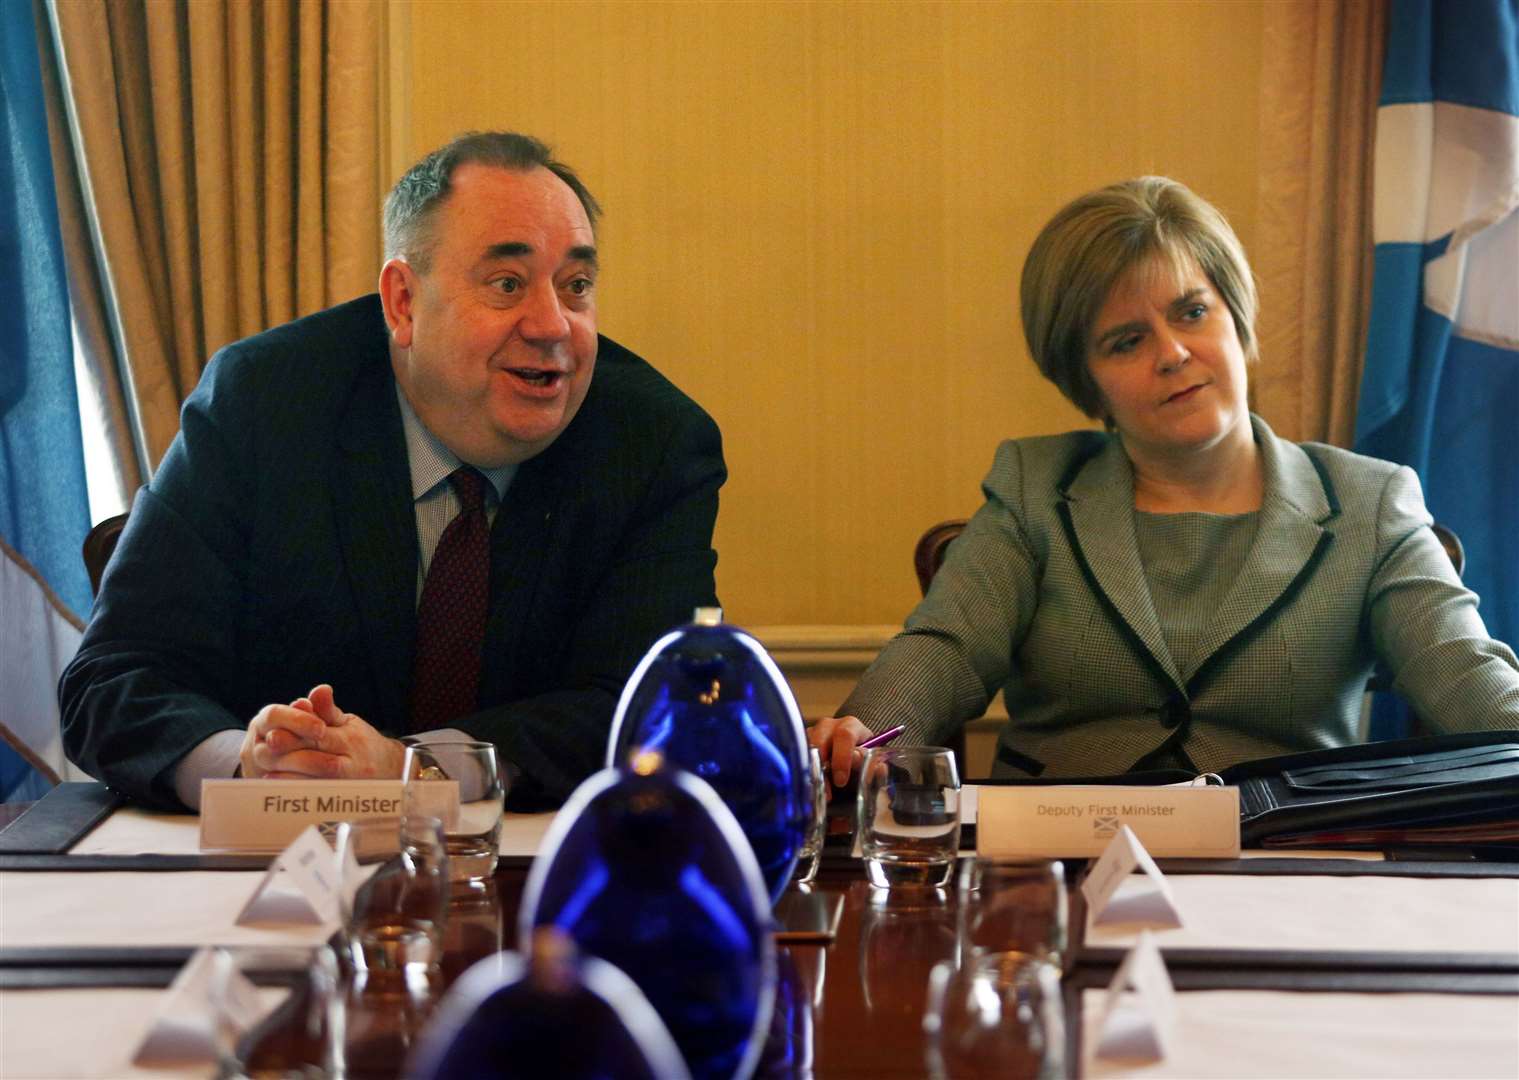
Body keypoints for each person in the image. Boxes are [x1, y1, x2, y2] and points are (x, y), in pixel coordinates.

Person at [61, 132, 726, 811]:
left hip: (536, 885)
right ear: (403, 302)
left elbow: (654, 703)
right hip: (267, 874)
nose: (552, 324)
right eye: (507, 284)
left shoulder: (654, 443)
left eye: (576, 286)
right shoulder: (264, 403)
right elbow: (114, 680)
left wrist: (414, 768)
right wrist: (248, 769)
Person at [812, 176, 1519, 786]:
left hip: (1283, 866)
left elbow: (1459, 669)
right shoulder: (1034, 489)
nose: (1172, 353)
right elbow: (946, 649)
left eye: (1190, 312)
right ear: (1084, 381)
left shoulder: (1369, 502)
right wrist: (865, 735)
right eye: (1126, 340)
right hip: (1056, 864)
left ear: (1236, 321)